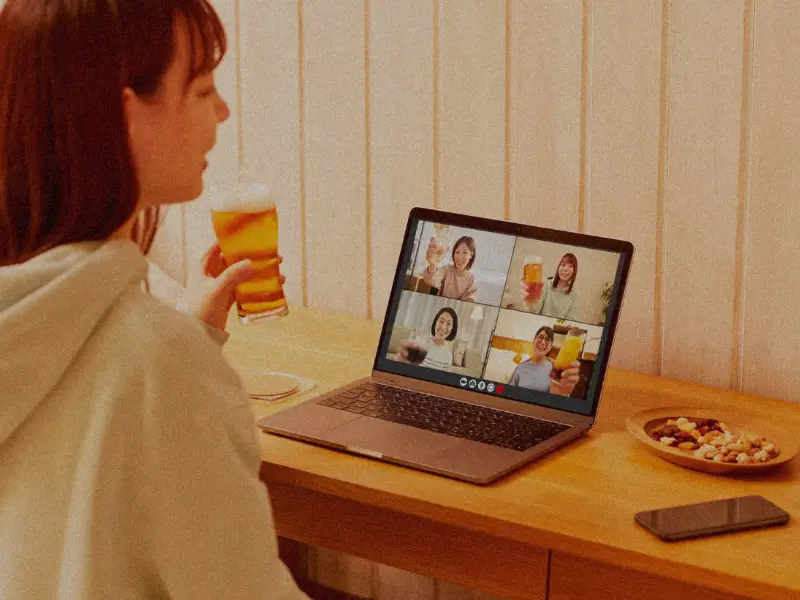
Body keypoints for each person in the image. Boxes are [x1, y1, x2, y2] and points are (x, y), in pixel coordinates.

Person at [0, 1, 308, 598]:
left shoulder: (33, 324)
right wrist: (178, 355)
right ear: (127, 117)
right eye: (203, 90)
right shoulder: (162, 365)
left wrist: (188, 333)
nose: (222, 111)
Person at [507, 327, 580, 396]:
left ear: (551, 346)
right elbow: (508, 393)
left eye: (548, 340)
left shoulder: (556, 368)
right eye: (540, 337)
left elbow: (560, 397)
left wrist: (562, 394)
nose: (543, 342)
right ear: (534, 340)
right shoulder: (520, 367)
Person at [520, 253, 581, 321]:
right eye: (563, 265)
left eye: (570, 266)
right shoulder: (546, 284)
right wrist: (529, 303)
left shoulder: (575, 297)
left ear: (574, 271)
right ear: (559, 267)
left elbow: (569, 322)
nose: (565, 269)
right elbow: (534, 312)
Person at [395, 307, 459, 371]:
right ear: (435, 322)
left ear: (452, 329)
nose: (443, 327)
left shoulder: (447, 356)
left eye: (449, 324)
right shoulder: (419, 342)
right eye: (441, 321)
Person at [423, 235, 478, 302]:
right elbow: (430, 280)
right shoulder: (447, 270)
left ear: (471, 255)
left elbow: (468, 305)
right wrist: (433, 265)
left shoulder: (471, 281)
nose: (460, 257)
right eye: (457, 252)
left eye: (465, 253)